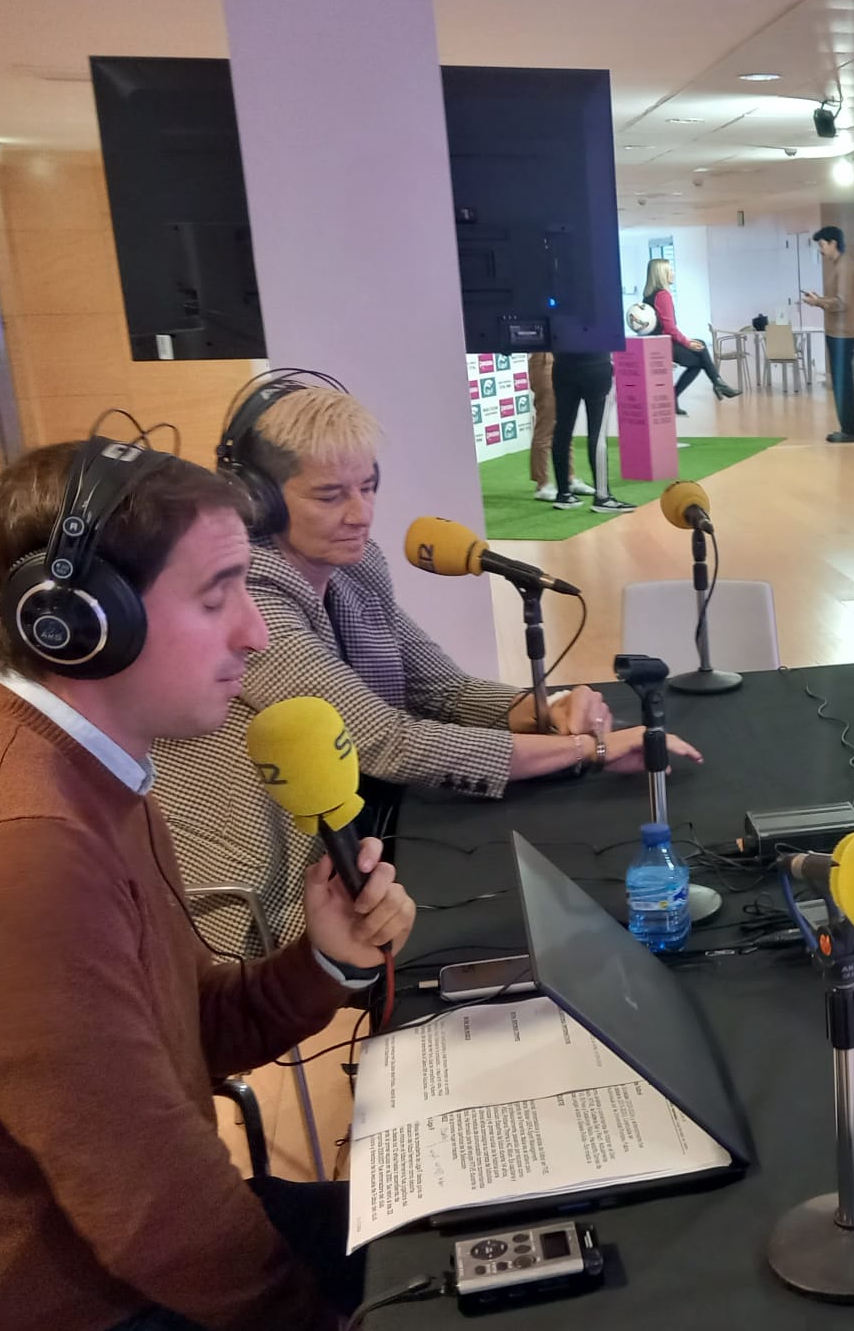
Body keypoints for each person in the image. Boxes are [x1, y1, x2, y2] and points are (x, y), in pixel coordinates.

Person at [0, 437, 416, 1331]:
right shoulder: (20, 843)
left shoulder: (98, 777)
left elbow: (189, 1037)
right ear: (82, 623)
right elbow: (153, 1209)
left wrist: (322, 959)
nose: (256, 632)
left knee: (462, 1253)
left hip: (117, 1284)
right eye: (218, 593)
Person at [154, 377, 701, 955]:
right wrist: (586, 751)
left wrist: (545, 709)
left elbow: (439, 688)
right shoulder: (250, 599)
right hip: (266, 890)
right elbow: (387, 742)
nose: (360, 513)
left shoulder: (357, 568)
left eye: (367, 487)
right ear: (254, 501)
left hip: (369, 833)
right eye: (329, 495)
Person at [643, 258, 741, 413]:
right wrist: (687, 342)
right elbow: (670, 328)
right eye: (670, 270)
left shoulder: (648, 296)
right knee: (699, 354)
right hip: (665, 345)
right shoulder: (663, 295)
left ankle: (716, 383)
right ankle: (717, 382)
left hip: (655, 344)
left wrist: (687, 341)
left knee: (699, 353)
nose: (673, 273)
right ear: (662, 274)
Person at [538, 349, 626, 513]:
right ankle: (602, 497)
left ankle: (563, 493)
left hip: (563, 367)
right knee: (597, 434)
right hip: (596, 366)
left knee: (562, 430)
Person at [803, 225, 854, 443]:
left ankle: (851, 429)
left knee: (842, 382)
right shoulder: (838, 266)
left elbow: (842, 302)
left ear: (833, 243)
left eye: (822, 245)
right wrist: (819, 300)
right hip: (836, 331)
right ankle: (848, 427)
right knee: (840, 381)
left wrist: (817, 302)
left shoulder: (845, 267)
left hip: (842, 333)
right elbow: (836, 299)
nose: (820, 250)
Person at [526, 350, 557, 492]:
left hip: (563, 356)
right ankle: (542, 483)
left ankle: (569, 477)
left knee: (563, 425)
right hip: (543, 356)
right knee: (546, 423)